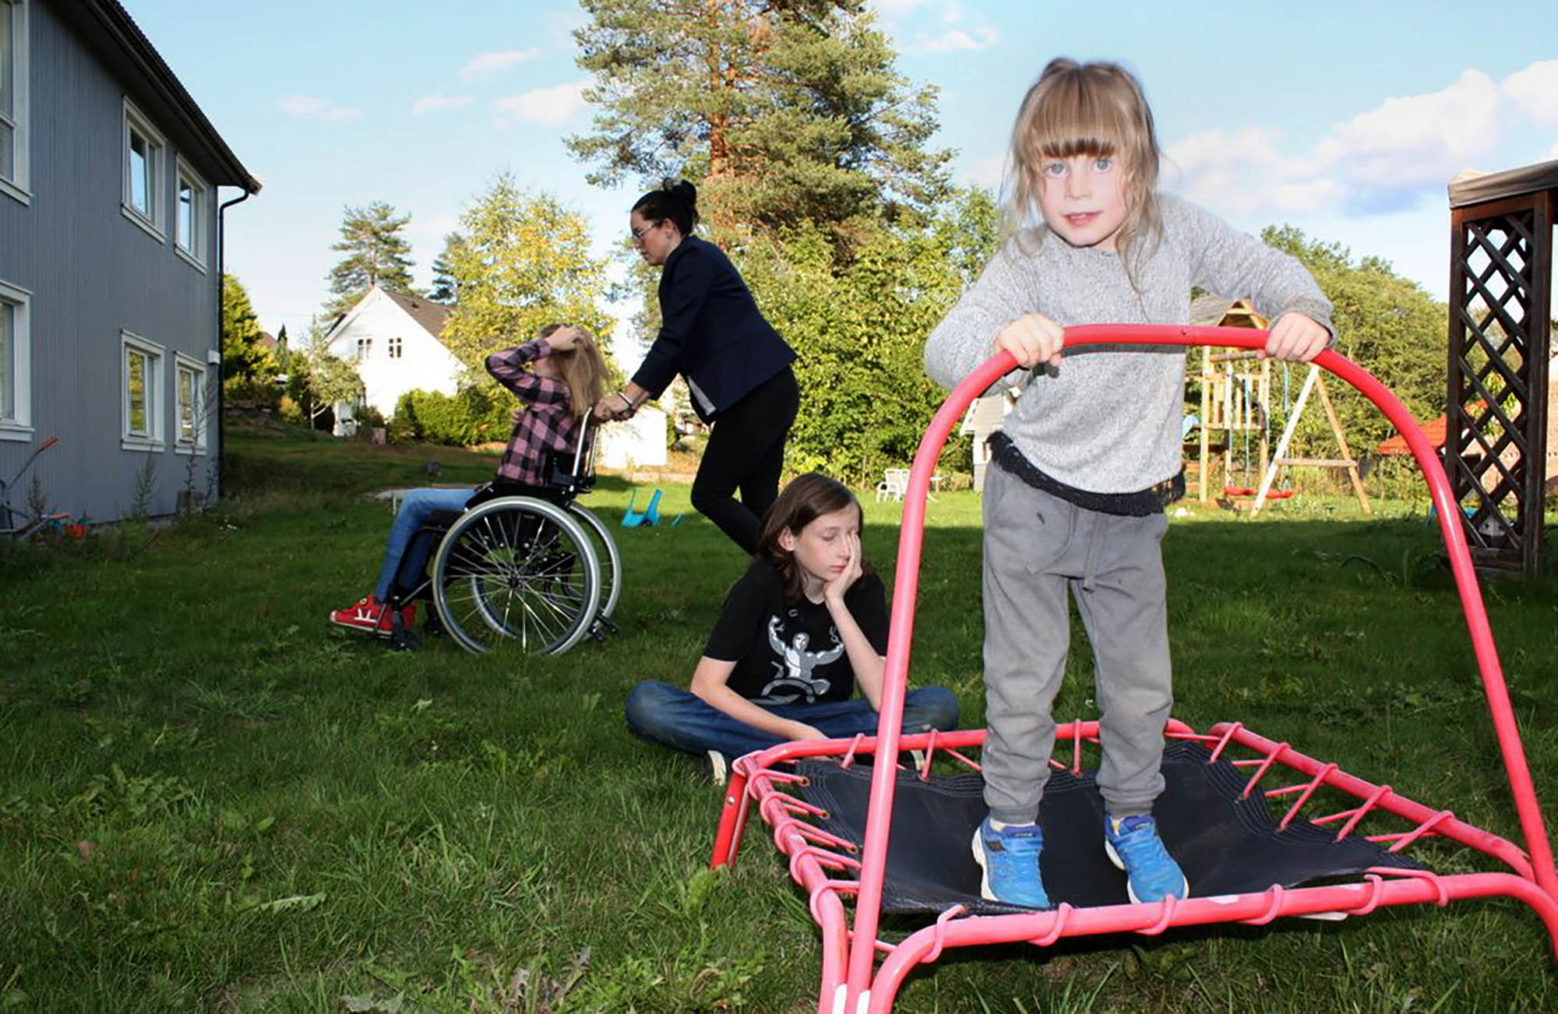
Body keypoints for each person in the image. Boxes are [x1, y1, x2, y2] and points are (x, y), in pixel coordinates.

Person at [923, 58, 1333, 909]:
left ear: (1138, 163)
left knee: (1140, 685)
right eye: (1054, 166)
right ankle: (1008, 827)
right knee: (1025, 680)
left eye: (1099, 162)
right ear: (1031, 173)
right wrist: (1005, 338)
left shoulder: (1176, 232)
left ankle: (1133, 819)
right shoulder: (1028, 259)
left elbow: (1270, 271)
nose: (1076, 186)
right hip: (1032, 495)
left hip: (1133, 509)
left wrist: (1306, 312)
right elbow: (944, 351)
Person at [624, 473, 959, 784]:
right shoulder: (759, 583)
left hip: (830, 717)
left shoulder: (864, 588)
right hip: (753, 713)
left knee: (938, 707)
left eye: (853, 535)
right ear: (788, 538)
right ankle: (838, 756)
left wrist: (837, 602)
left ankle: (755, 757)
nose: (845, 550)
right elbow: (706, 687)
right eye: (829, 536)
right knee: (648, 703)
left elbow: (885, 701)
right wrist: (793, 732)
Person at [330, 323, 608, 636]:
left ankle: (382, 606)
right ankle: (402, 604)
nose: (533, 361)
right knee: (427, 515)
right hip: (526, 502)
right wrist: (528, 417)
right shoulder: (578, 403)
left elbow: (497, 362)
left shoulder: (552, 392)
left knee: (414, 503)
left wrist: (544, 343)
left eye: (542, 355)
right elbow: (540, 458)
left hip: (508, 506)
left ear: (559, 360)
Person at [596, 179, 800, 555]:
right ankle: (791, 593)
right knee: (761, 507)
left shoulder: (693, 261)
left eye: (640, 234)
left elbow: (674, 340)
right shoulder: (690, 263)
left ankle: (792, 573)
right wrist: (635, 401)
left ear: (669, 227)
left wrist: (628, 396)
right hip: (766, 391)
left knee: (709, 493)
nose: (637, 245)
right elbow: (680, 347)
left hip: (759, 395)